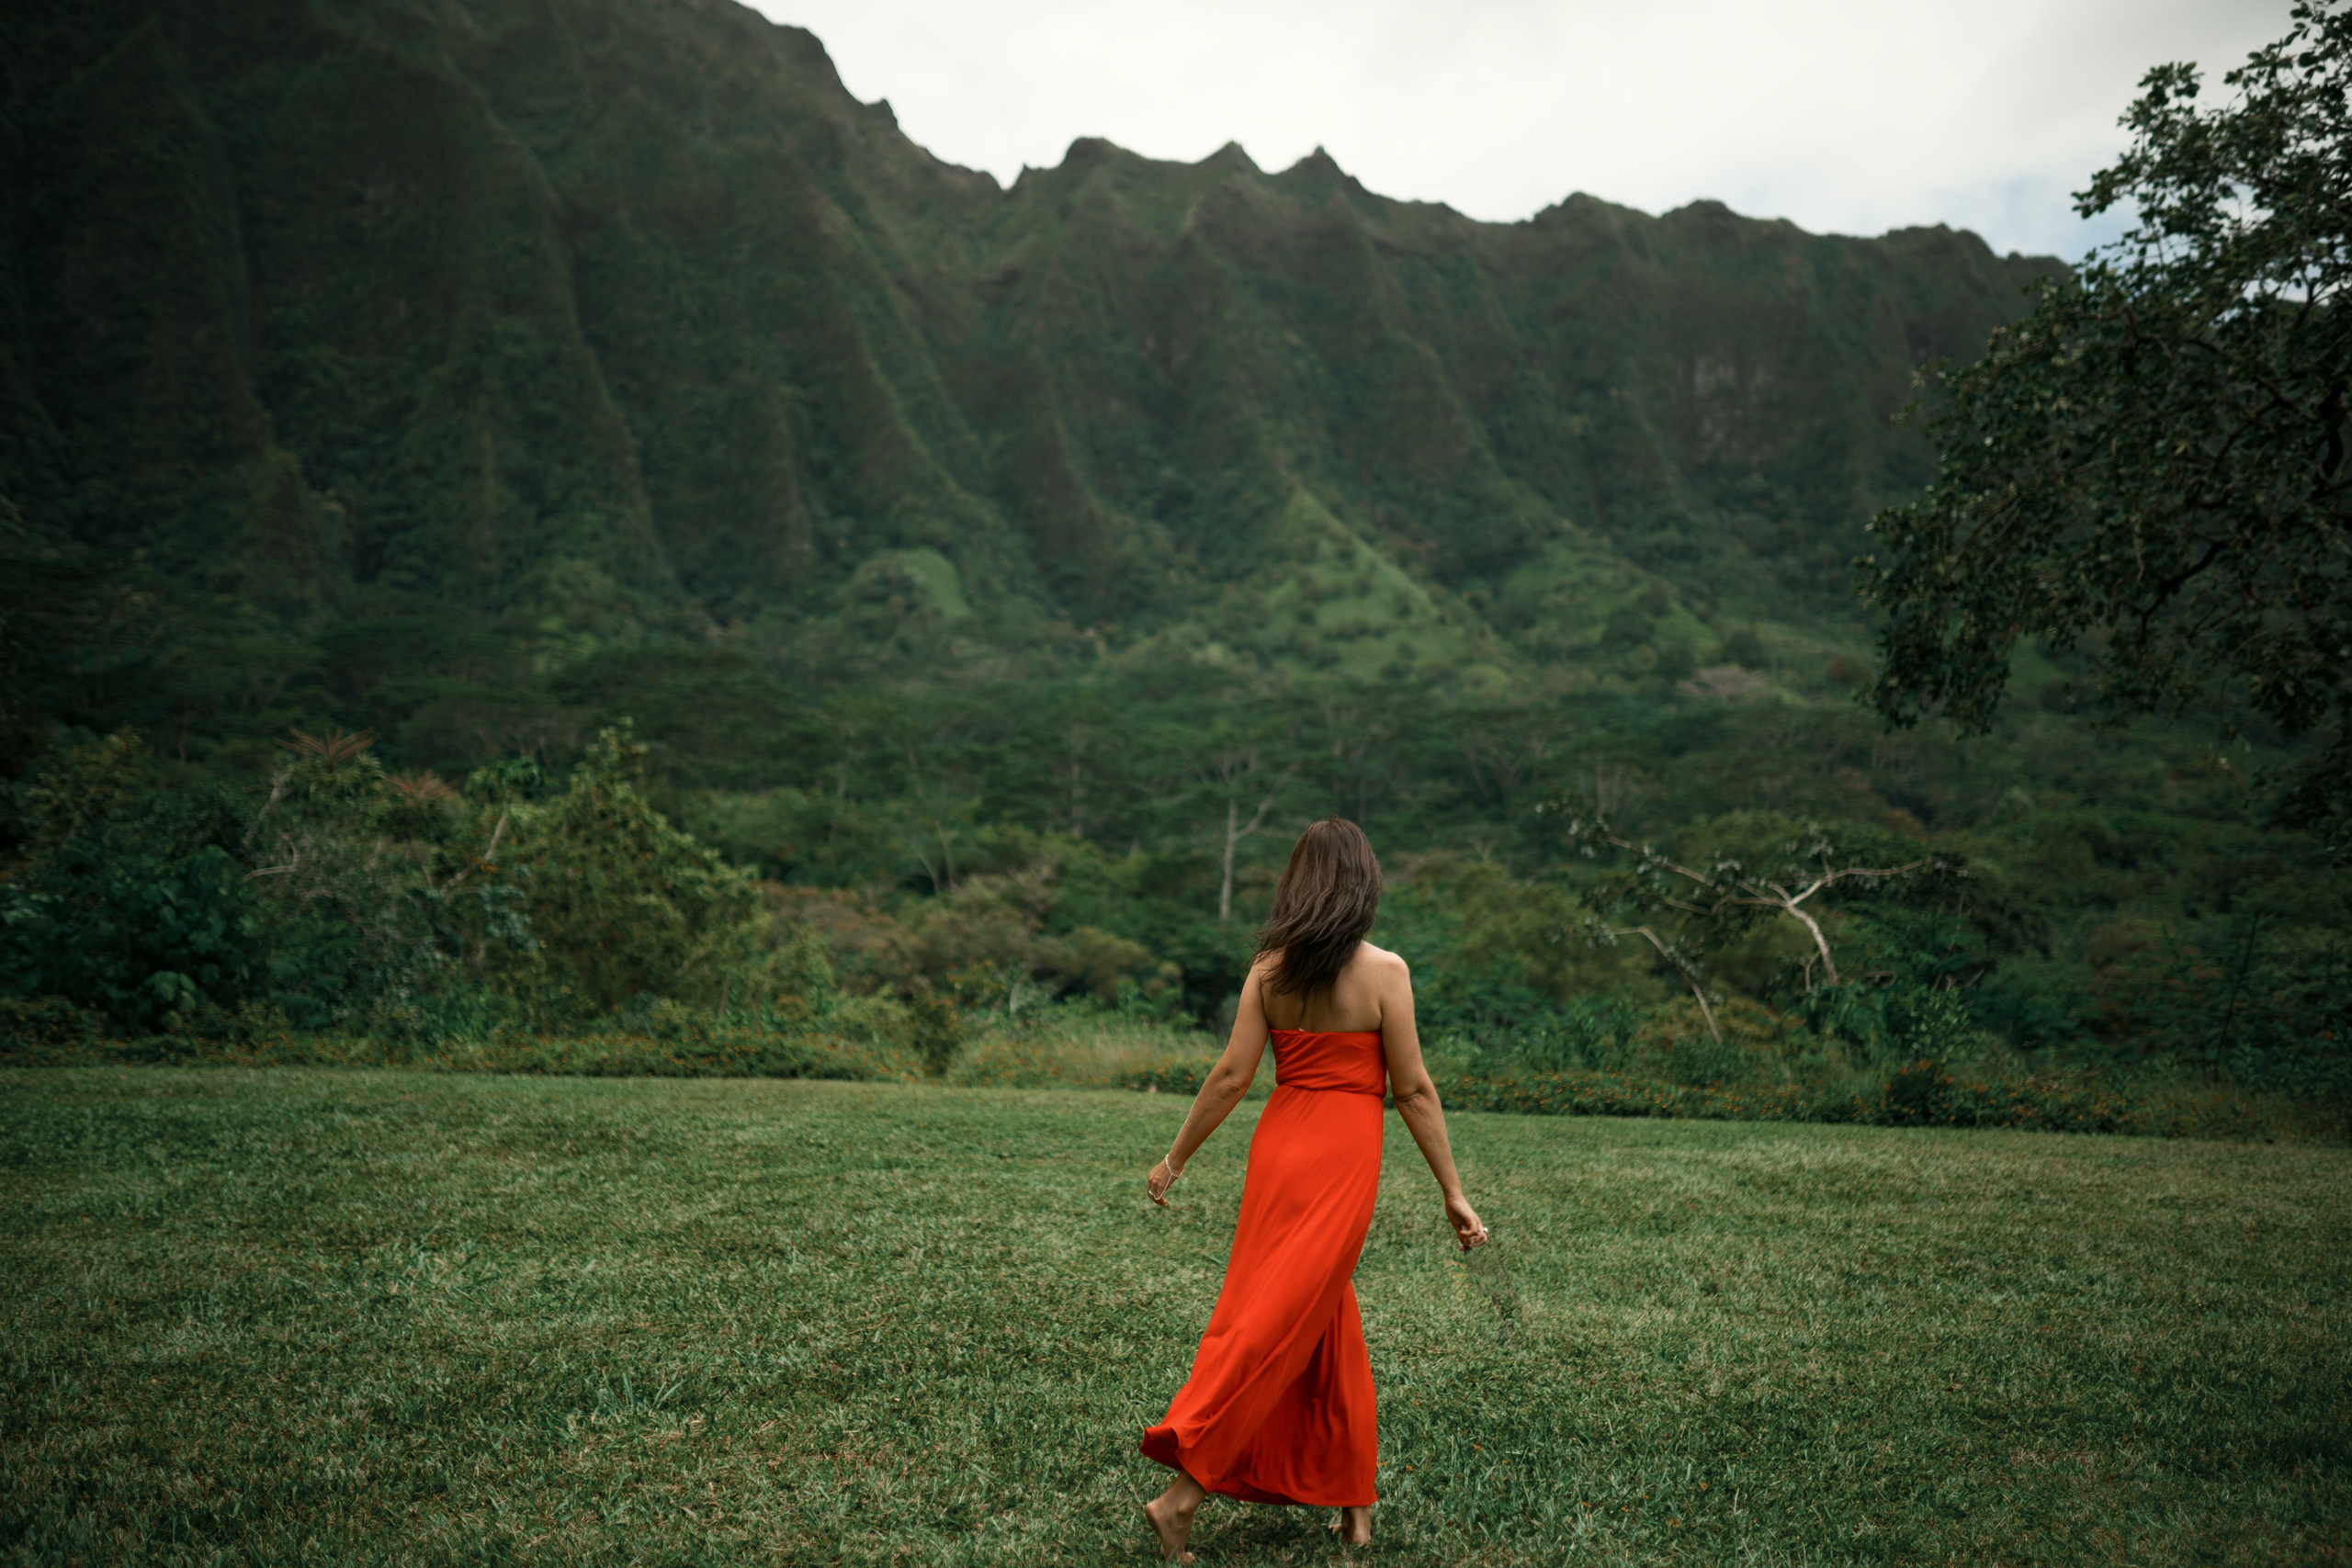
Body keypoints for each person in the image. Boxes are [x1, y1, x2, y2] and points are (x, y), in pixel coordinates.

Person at [1139, 818, 1487, 1562]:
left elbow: (1233, 1076)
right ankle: (1181, 1496)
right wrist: (1453, 1191)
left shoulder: (1270, 966)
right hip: (1340, 1156)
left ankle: (1355, 1506)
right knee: (1278, 1321)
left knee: (1323, 1312)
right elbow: (1415, 1090)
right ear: (1365, 884)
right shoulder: (1385, 971)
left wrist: (1176, 1158)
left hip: (1281, 1145)